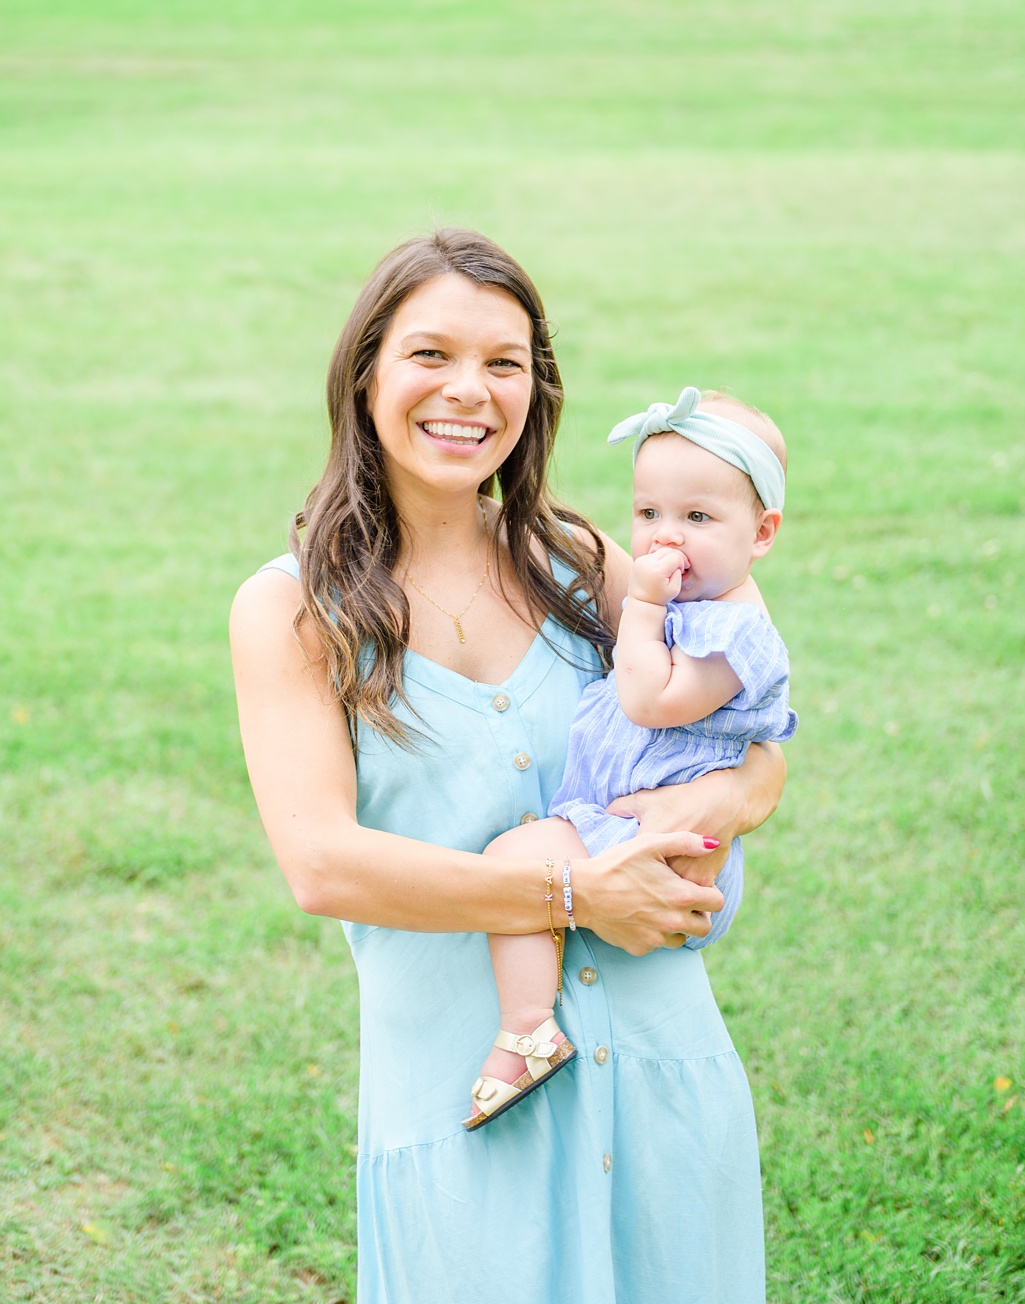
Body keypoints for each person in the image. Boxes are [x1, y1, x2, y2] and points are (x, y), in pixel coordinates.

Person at [228, 230, 787, 1303]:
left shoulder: (583, 562)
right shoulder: (293, 606)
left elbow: (757, 752)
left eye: (505, 362)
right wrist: (576, 887)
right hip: (467, 1110)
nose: (469, 393)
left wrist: (725, 802)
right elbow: (322, 866)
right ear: (366, 373)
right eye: (430, 354)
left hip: (665, 1080)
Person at [466, 388, 795, 1129]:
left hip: (665, 849)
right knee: (523, 860)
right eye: (649, 514)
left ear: (763, 531)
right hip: (625, 824)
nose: (663, 540)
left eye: (698, 518)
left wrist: (642, 609)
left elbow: (652, 700)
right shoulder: (695, 607)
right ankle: (532, 1024)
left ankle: (527, 1029)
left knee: (517, 858)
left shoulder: (736, 630)